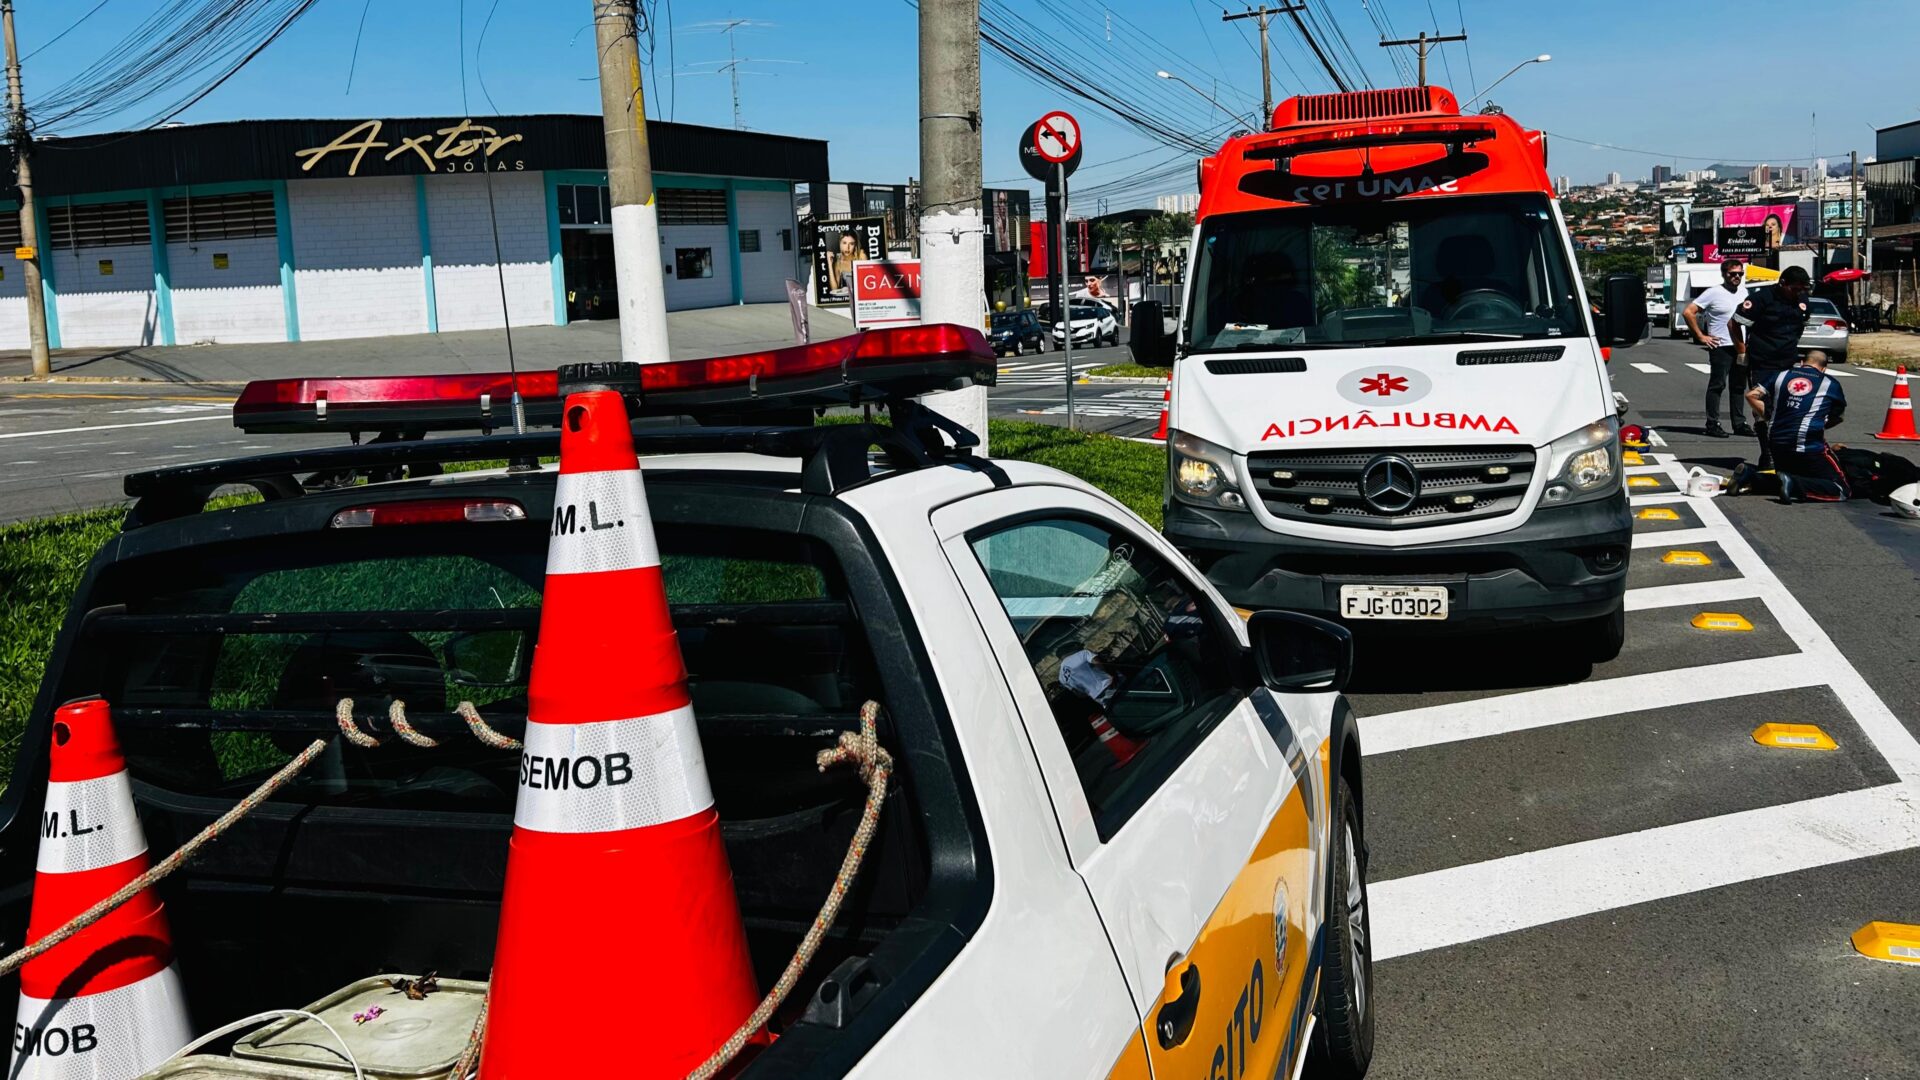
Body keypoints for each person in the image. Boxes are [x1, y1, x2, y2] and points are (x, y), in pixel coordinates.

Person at [1731, 264, 1813, 470]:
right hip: (1762, 362)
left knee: (1787, 408)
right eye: (1795, 289)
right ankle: (1767, 453)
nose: (1799, 293)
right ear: (1783, 283)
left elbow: (1799, 327)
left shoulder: (1801, 301)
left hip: (1788, 362)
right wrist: (1741, 351)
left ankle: (1784, 452)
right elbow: (1734, 323)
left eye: (1803, 289)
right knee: (1763, 409)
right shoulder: (1761, 298)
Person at [1743, 349, 1848, 502]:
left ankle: (1750, 478)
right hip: (1807, 445)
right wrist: (1820, 425)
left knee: (1787, 478)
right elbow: (1838, 416)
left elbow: (1751, 395)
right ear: (1825, 368)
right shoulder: (1829, 383)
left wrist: (1770, 417)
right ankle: (1794, 485)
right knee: (1840, 489)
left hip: (1776, 442)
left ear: (1801, 363)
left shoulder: (1781, 375)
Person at [1682, 259, 1752, 438]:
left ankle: (1739, 423)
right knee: (1717, 385)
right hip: (1720, 345)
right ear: (1724, 274)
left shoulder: (1744, 292)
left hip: (1740, 346)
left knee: (1738, 386)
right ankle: (1712, 423)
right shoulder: (1713, 292)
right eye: (1732, 274)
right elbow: (1689, 312)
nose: (1736, 277)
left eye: (1740, 274)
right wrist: (1700, 336)